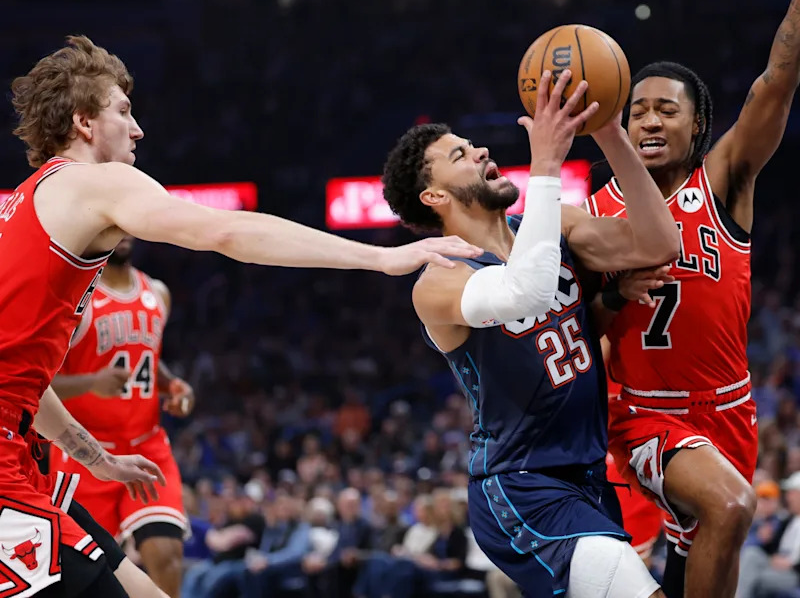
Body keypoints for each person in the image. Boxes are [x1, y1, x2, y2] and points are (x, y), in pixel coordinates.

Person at [0, 35, 480, 598]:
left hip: (24, 451)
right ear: (84, 122)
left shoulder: (25, 201)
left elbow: (21, 380)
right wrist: (379, 257)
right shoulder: (96, 182)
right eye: (123, 111)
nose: (138, 130)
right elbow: (229, 233)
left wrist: (93, 456)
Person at [586, 0, 800, 595]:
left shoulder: (722, 180)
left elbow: (773, 88)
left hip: (729, 408)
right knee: (730, 506)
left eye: (665, 111)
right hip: (646, 413)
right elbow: (579, 323)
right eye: (637, 110)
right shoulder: (594, 210)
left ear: (696, 124)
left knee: (699, 548)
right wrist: (614, 293)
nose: (648, 121)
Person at [381, 68, 680, 597]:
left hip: (586, 474)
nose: (478, 152)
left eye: (472, 145)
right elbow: (526, 291)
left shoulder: (552, 225)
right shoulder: (438, 283)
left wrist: (609, 132)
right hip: (521, 484)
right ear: (434, 198)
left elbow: (660, 244)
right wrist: (545, 163)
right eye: (458, 156)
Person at [47, 236, 192, 598]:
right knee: (86, 575)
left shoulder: (157, 293)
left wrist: (174, 386)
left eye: (125, 226)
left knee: (166, 552)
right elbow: (38, 382)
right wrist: (90, 383)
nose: (121, 234)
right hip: (83, 451)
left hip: (146, 444)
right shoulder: (72, 296)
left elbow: (144, 355)